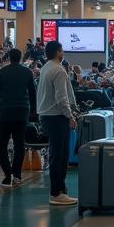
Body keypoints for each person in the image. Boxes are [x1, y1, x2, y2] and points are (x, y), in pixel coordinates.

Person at [37, 41, 78, 205]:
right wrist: (70, 116)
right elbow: (62, 98)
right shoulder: (59, 70)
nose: (63, 53)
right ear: (58, 52)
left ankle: (59, 190)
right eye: (62, 50)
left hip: (46, 115)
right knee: (60, 156)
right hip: (57, 117)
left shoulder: (46, 67)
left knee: (55, 154)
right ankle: (57, 192)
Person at [0, 48, 37, 188]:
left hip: (4, 112)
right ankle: (17, 175)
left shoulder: (2, 72)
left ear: (9, 57)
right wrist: (33, 111)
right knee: (19, 144)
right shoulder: (27, 72)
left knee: (0, 145)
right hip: (22, 112)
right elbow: (33, 93)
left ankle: (7, 174)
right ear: (21, 57)